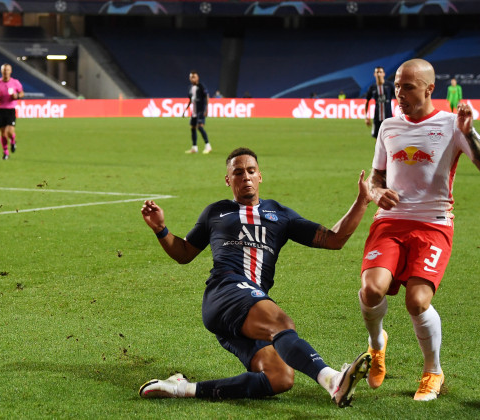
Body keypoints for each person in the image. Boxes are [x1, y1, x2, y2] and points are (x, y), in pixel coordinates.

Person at [138, 147, 372, 407]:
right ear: (228, 180)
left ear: (260, 176)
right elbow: (184, 253)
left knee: (280, 378)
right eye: (238, 173)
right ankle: (333, 381)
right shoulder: (216, 213)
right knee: (281, 321)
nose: (245, 177)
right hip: (225, 292)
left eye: (251, 171)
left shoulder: (280, 215)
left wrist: (362, 201)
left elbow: (334, 239)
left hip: (249, 309)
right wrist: (161, 230)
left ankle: (183, 388)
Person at [358, 59, 480, 402]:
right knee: (371, 290)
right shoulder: (388, 126)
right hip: (390, 222)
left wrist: (469, 133)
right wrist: (377, 193)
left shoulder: (451, 126)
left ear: (429, 89)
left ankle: (433, 370)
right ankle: (377, 346)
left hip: (433, 224)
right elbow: (376, 178)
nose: (398, 93)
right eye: (397, 86)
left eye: (407, 87)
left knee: (417, 301)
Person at [0, 63, 24, 160]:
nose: (5, 72)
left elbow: (21, 93)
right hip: (1, 109)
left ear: (10, 71)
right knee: (3, 133)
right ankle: (5, 152)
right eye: (4, 70)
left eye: (7, 70)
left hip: (10, 109)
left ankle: (13, 141)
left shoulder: (15, 82)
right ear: (1, 71)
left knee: (10, 131)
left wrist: (17, 96)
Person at [184, 71, 212, 154]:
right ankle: (194, 148)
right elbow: (190, 99)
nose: (193, 79)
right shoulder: (190, 88)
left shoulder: (201, 86)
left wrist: (206, 109)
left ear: (197, 77)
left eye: (194, 77)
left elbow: (207, 96)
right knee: (192, 128)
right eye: (191, 77)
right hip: (194, 112)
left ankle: (208, 146)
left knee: (200, 127)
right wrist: (186, 108)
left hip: (201, 110)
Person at [365, 67, 394, 140]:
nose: (379, 74)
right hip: (377, 118)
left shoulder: (389, 86)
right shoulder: (372, 87)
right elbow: (367, 101)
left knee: (389, 139)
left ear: (384, 74)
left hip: (388, 118)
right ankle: (378, 152)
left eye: (380, 72)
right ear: (374, 74)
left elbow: (399, 98)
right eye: (377, 72)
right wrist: (366, 117)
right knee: (377, 140)